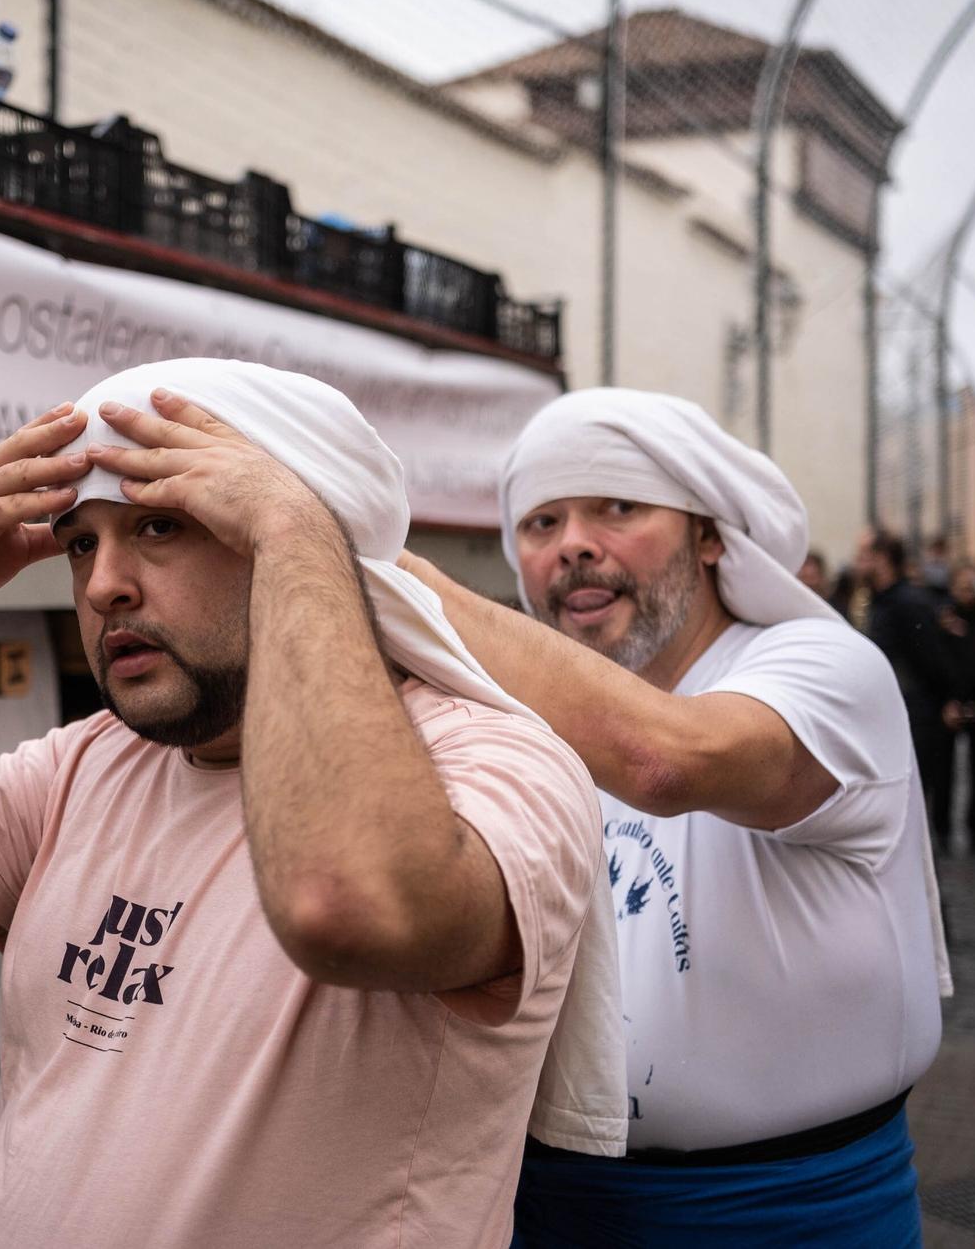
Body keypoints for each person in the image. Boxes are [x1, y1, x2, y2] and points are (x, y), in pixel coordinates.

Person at [0, 359, 623, 1248]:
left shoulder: (498, 764)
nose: (102, 585)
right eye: (81, 540)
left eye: (160, 524)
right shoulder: (87, 765)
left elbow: (346, 904)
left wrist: (297, 532)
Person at [400, 388, 947, 1247]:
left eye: (616, 506)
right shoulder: (517, 714)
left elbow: (669, 758)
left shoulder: (823, 664)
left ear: (708, 532)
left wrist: (393, 582)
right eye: (541, 523)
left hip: (789, 1214)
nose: (573, 543)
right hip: (540, 1201)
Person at [863, 533, 957, 853]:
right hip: (897, 714)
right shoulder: (884, 600)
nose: (858, 561)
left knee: (911, 810)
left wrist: (944, 700)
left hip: (915, 715)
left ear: (882, 559)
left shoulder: (908, 602)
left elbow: (932, 660)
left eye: (864, 554)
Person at [936, 564, 975, 856]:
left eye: (973, 587)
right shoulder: (942, 620)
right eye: (962, 587)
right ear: (952, 589)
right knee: (944, 773)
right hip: (949, 703)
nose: (968, 593)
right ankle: (943, 829)